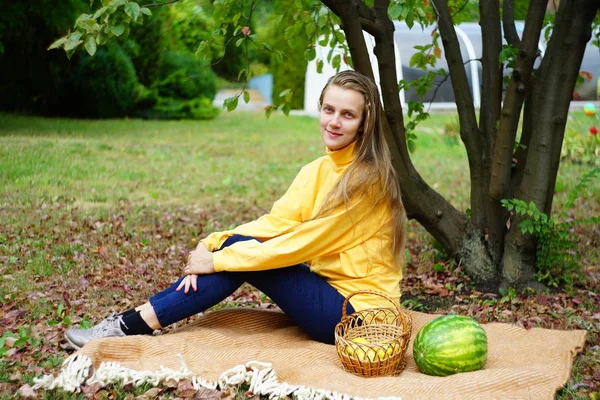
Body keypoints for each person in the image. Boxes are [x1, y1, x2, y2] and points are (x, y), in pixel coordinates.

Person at [65, 70, 407, 349]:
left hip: (360, 319)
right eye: (328, 109)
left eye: (348, 115)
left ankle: (130, 324)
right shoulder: (317, 170)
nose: (334, 121)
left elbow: (303, 243)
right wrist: (213, 242)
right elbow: (277, 223)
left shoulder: (368, 180)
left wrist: (218, 259)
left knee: (249, 257)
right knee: (239, 249)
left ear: (364, 123)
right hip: (332, 298)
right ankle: (132, 322)